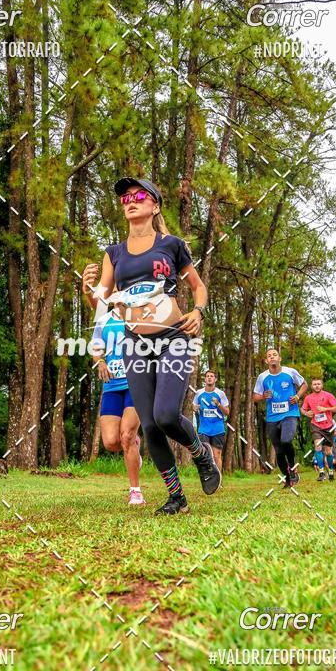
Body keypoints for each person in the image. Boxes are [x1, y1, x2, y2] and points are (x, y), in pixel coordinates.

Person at [82, 177, 220, 516]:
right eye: (125, 198)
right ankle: (177, 498)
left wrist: (198, 312)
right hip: (134, 344)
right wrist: (89, 291)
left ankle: (201, 453)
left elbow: (198, 286)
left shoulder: (171, 245)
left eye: (139, 195)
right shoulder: (113, 253)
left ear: (155, 205)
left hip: (172, 337)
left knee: (166, 414)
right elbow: (102, 307)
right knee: (150, 424)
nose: (131, 201)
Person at [90, 310, 145, 504]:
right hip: (111, 385)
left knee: (126, 436)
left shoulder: (138, 315)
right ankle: (135, 443)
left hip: (135, 384)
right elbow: (96, 349)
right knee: (111, 442)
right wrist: (100, 362)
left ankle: (135, 492)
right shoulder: (103, 321)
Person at [253, 349, 307, 487]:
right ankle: (288, 479)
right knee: (278, 450)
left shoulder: (290, 372)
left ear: (279, 358)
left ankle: (293, 467)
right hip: (272, 417)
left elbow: (304, 385)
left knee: (286, 440)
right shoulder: (262, 377)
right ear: (266, 361)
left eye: (274, 355)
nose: (272, 357)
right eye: (269, 356)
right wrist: (263, 396)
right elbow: (255, 397)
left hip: (290, 413)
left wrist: (297, 396)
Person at [301, 378, 336, 481]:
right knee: (318, 446)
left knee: (328, 452)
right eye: (314, 384)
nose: (317, 386)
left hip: (328, 427)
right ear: (311, 386)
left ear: (322, 385)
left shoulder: (328, 395)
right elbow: (302, 409)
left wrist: (326, 409)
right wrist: (306, 413)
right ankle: (321, 472)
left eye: (318, 384)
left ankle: (331, 471)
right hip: (316, 426)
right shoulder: (308, 398)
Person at [192, 369, 229, 472]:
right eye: (207, 376)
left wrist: (218, 404)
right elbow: (194, 406)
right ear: (205, 379)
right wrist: (194, 408)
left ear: (215, 379)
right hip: (204, 429)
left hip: (218, 429)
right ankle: (208, 477)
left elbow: (227, 412)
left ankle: (218, 479)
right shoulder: (199, 393)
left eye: (211, 376)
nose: (209, 378)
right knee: (205, 455)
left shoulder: (220, 393)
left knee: (217, 455)